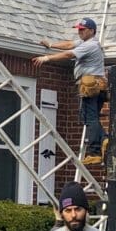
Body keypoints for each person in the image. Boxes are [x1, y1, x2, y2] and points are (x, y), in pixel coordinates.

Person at [33, 16, 108, 166]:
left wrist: (46, 58)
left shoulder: (90, 45)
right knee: (87, 116)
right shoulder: (85, 42)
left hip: (91, 86)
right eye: (79, 30)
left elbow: (69, 54)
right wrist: (51, 44)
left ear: (92, 31)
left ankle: (94, 152)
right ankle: (104, 139)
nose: (80, 32)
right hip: (96, 86)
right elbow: (68, 44)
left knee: (89, 118)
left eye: (83, 30)